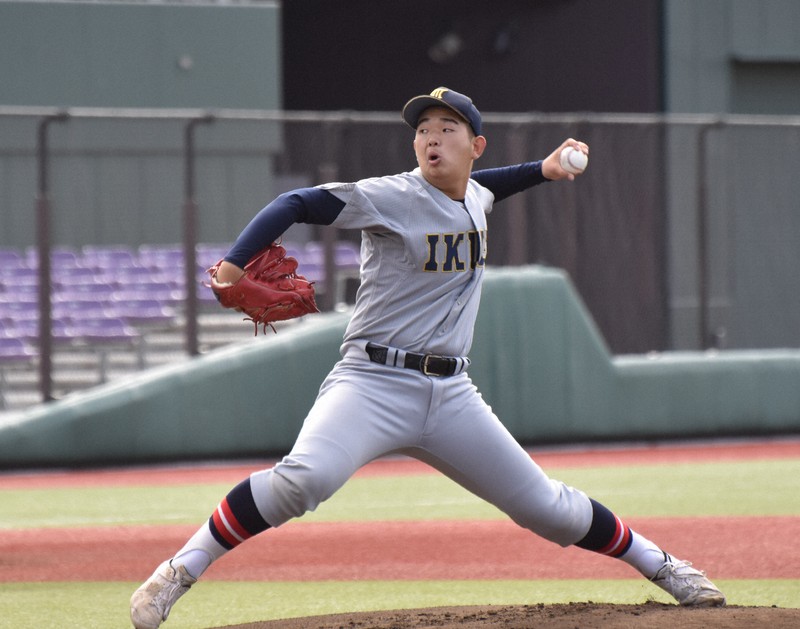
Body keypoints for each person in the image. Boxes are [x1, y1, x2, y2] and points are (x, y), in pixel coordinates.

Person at [130, 87, 725, 629]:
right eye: (423, 129)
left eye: (447, 127)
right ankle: (177, 572)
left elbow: (491, 186)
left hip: (451, 396)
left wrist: (543, 170)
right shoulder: (390, 196)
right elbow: (294, 202)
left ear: (474, 145)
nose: (431, 137)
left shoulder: (477, 194)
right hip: (371, 382)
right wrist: (235, 263)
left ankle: (664, 565)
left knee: (548, 509)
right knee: (303, 480)